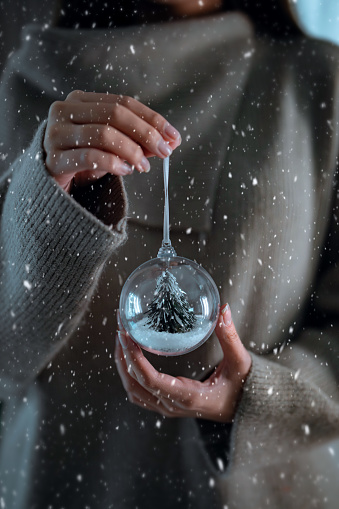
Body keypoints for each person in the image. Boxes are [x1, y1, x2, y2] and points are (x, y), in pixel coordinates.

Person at [0, 0, 339, 507]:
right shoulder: (22, 84)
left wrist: (258, 397)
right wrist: (43, 199)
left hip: (258, 491)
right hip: (64, 479)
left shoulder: (315, 85)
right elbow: (7, 353)